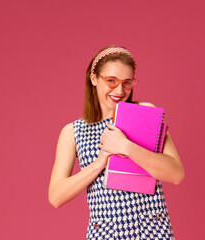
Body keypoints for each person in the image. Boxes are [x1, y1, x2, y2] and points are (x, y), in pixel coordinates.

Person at [49, 45, 184, 240]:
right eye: (111, 80)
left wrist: (126, 147)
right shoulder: (73, 132)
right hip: (104, 233)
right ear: (94, 79)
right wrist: (99, 163)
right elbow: (56, 196)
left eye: (127, 82)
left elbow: (176, 174)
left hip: (153, 231)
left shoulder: (145, 113)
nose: (120, 90)